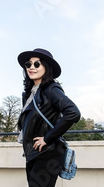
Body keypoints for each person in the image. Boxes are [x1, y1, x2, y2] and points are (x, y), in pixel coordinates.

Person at [17, 48, 81, 187]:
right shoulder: (31, 93)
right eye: (28, 64)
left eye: (37, 64)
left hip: (48, 153)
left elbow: (73, 112)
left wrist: (47, 138)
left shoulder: (51, 89)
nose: (31, 67)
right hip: (33, 153)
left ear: (46, 67)